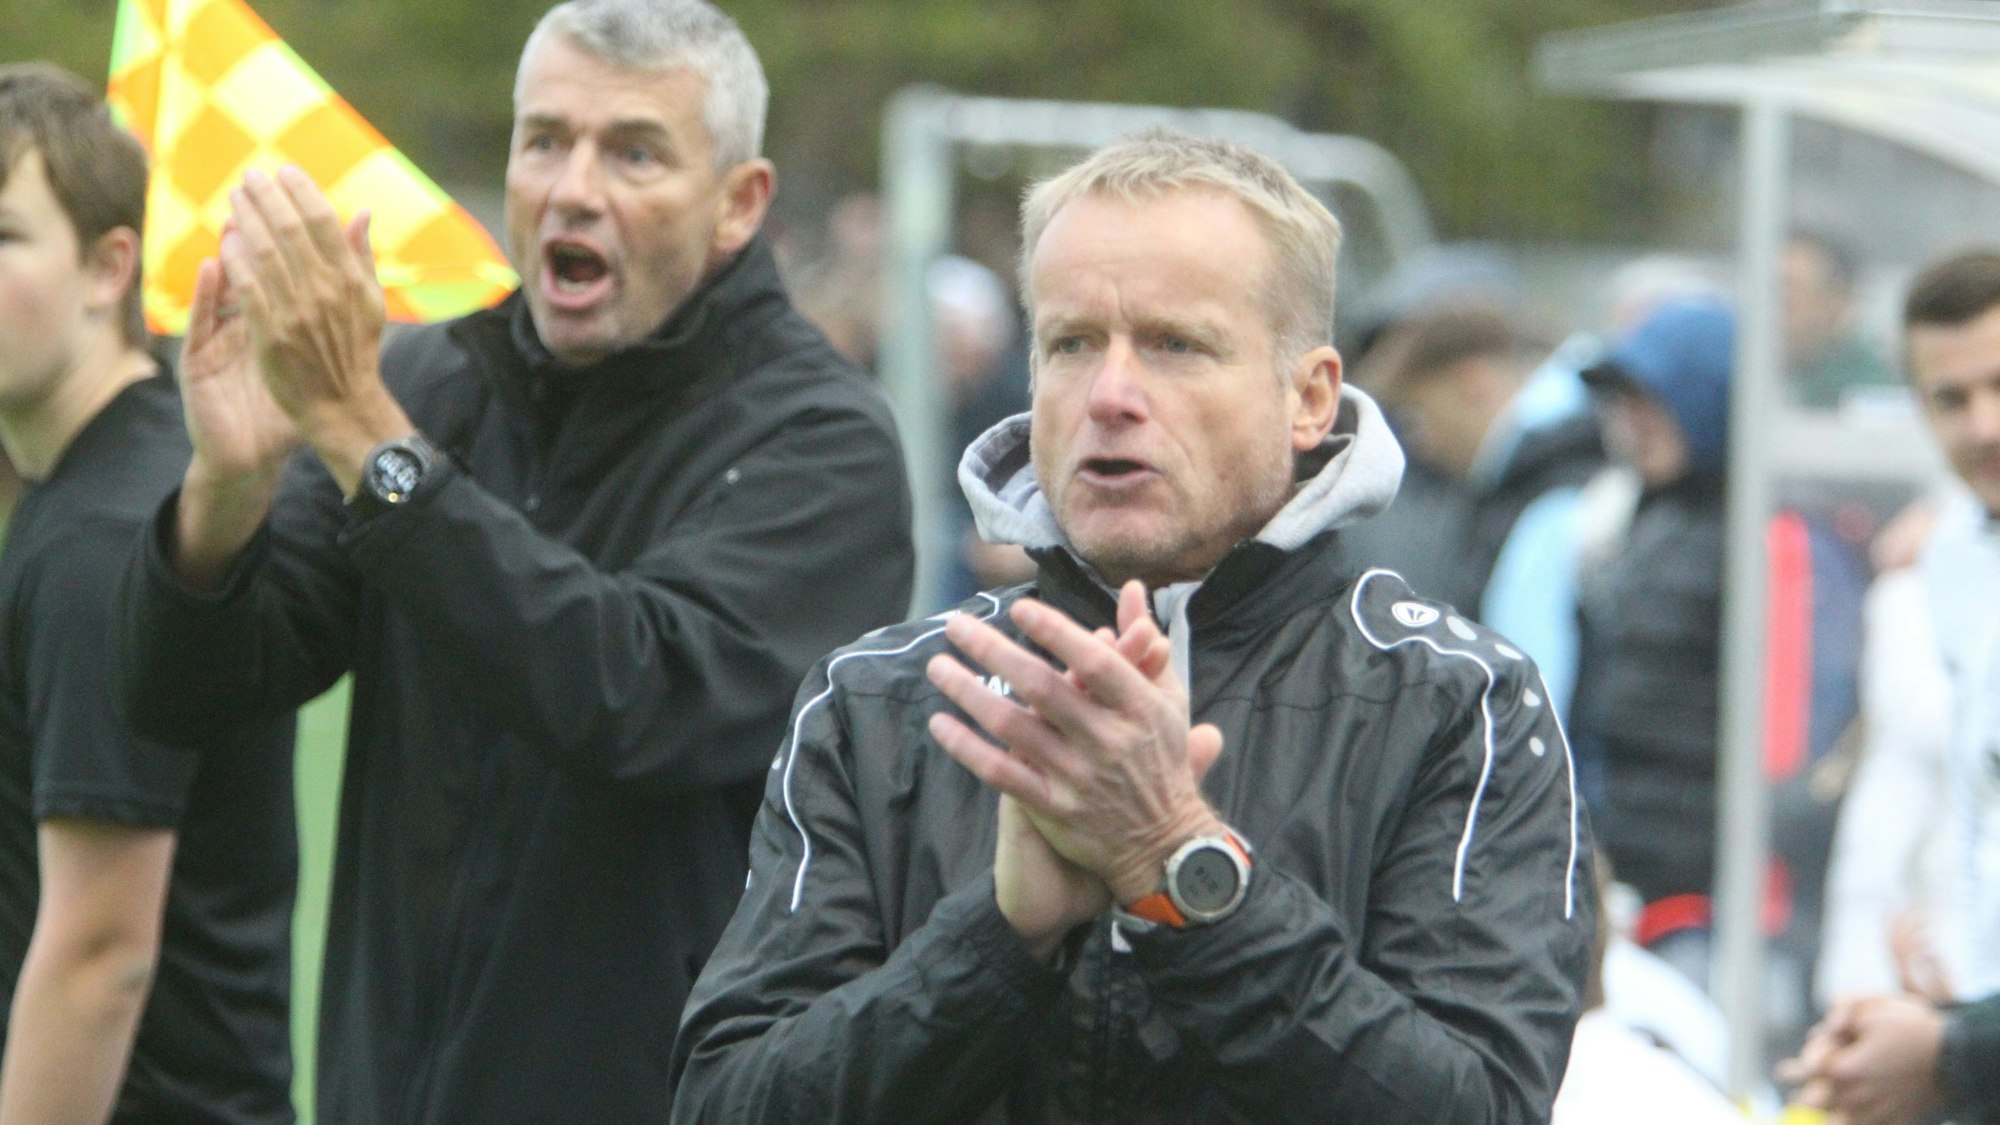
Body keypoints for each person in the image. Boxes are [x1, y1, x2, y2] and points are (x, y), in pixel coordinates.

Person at [671, 131, 1592, 1123]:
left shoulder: (1456, 702)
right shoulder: (882, 699)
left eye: (1173, 345)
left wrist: (1181, 872)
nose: (1109, 396)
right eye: (1069, 344)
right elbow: (725, 1103)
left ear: (1307, 398)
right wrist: (997, 939)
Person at [114, 1, 913, 1120]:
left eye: (633, 151)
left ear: (739, 205)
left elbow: (631, 694)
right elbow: (185, 687)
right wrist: (227, 491)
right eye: (544, 140)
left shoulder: (821, 442)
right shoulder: (433, 381)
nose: (572, 187)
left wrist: (364, 441)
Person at [0, 64, 296, 1123]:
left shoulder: (99, 536)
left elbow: (100, 955)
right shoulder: (106, 470)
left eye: (4, 238)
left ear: (107, 266)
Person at [1786, 249, 2000, 1125]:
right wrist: (1902, 998)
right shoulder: (1940, 560)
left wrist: (1954, 1050)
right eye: (1951, 399)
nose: (1983, 424)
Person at [1356, 302, 1603, 712]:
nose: (1419, 443)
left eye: (1416, 416)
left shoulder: (1551, 497)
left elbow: (1536, 708)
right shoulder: (1551, 469)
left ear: (1475, 384)